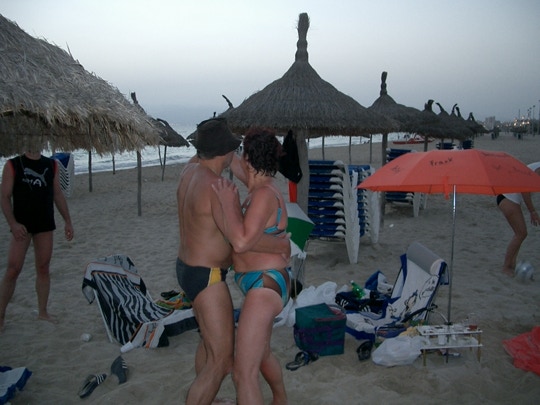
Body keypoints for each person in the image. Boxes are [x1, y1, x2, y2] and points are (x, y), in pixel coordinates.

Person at [176, 118, 289, 405]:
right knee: (222, 361)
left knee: (211, 345)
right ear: (226, 152)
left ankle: (213, 397)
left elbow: (240, 168)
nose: (237, 157)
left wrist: (244, 157)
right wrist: (280, 243)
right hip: (208, 275)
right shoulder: (218, 187)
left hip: (187, 269)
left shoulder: (190, 170)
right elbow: (240, 240)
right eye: (233, 150)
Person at [212, 127, 291, 405]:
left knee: (243, 374)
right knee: (262, 354)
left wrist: (227, 203)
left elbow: (242, 242)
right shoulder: (260, 185)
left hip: (265, 283)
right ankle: (280, 399)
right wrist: (223, 142)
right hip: (263, 281)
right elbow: (234, 163)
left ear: (249, 158)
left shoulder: (263, 195)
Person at [0, 148, 74, 331]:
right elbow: (4, 197)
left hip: (44, 224)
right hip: (22, 225)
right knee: (13, 269)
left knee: (43, 267)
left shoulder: (51, 165)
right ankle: (0, 315)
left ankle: (43, 312)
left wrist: (67, 221)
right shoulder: (13, 164)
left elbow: (57, 194)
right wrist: (13, 224)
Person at [496, 161, 540, 276]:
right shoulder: (538, 170)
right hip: (508, 198)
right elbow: (525, 191)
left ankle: (511, 264)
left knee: (521, 234)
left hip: (507, 197)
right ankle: (506, 267)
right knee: (521, 234)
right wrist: (532, 211)